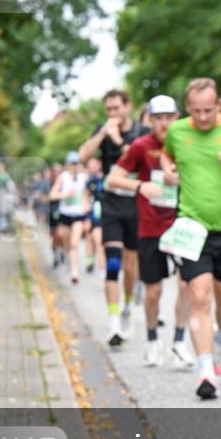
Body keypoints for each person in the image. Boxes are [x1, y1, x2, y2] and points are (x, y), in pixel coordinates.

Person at [161, 78, 221, 400]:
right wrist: (168, 171)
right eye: (196, 111)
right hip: (191, 228)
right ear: (188, 108)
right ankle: (206, 373)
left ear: (219, 105)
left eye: (208, 110)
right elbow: (166, 157)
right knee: (199, 297)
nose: (202, 117)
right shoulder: (177, 132)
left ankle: (220, 339)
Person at [109, 95, 194, 370]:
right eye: (158, 118)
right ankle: (152, 340)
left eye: (169, 117)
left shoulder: (188, 141)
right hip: (150, 226)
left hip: (183, 224)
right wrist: (139, 186)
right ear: (150, 120)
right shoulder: (141, 146)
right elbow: (112, 179)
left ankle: (179, 341)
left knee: (187, 285)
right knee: (153, 291)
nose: (164, 123)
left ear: (177, 117)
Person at [79, 89, 149, 347]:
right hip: (111, 205)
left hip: (135, 205)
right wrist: (102, 134)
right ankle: (113, 324)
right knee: (112, 262)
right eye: (108, 109)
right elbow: (83, 156)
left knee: (131, 268)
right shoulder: (103, 130)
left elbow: (139, 159)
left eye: (116, 108)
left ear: (127, 106)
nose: (112, 114)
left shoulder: (142, 132)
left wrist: (119, 140)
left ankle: (128, 307)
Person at [49, 152, 90, 284]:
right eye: (72, 163)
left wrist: (86, 204)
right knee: (65, 240)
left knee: (74, 243)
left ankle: (75, 271)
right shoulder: (62, 177)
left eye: (76, 163)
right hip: (65, 215)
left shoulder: (84, 177)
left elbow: (87, 194)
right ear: (67, 164)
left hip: (78, 215)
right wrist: (64, 194)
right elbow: (52, 195)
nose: (74, 166)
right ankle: (68, 259)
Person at [84, 158, 105, 274]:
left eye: (93, 165)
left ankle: (103, 272)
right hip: (92, 214)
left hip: (104, 215)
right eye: (89, 166)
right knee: (89, 238)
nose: (91, 168)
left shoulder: (105, 178)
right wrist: (86, 215)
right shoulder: (89, 181)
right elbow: (86, 197)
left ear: (99, 165)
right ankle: (90, 261)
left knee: (99, 242)